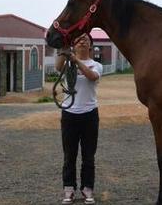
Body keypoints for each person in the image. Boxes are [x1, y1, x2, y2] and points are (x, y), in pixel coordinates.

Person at [56, 33, 103, 205]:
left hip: (90, 114)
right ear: (74, 45)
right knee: (69, 155)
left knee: (88, 155)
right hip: (69, 114)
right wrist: (63, 50)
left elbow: (92, 76)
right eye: (79, 39)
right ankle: (69, 189)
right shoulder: (68, 63)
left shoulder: (96, 65)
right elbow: (57, 66)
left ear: (90, 46)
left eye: (86, 40)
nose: (82, 41)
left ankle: (87, 189)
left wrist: (75, 60)